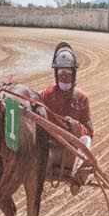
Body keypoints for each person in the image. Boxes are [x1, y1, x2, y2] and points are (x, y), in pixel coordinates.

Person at [37, 43, 94, 192]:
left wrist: (77, 127)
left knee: (87, 141)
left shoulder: (82, 98)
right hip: (49, 151)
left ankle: (78, 180)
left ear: (74, 74)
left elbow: (90, 132)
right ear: (55, 74)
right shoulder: (45, 95)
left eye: (68, 72)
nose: (64, 76)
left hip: (72, 153)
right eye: (61, 72)